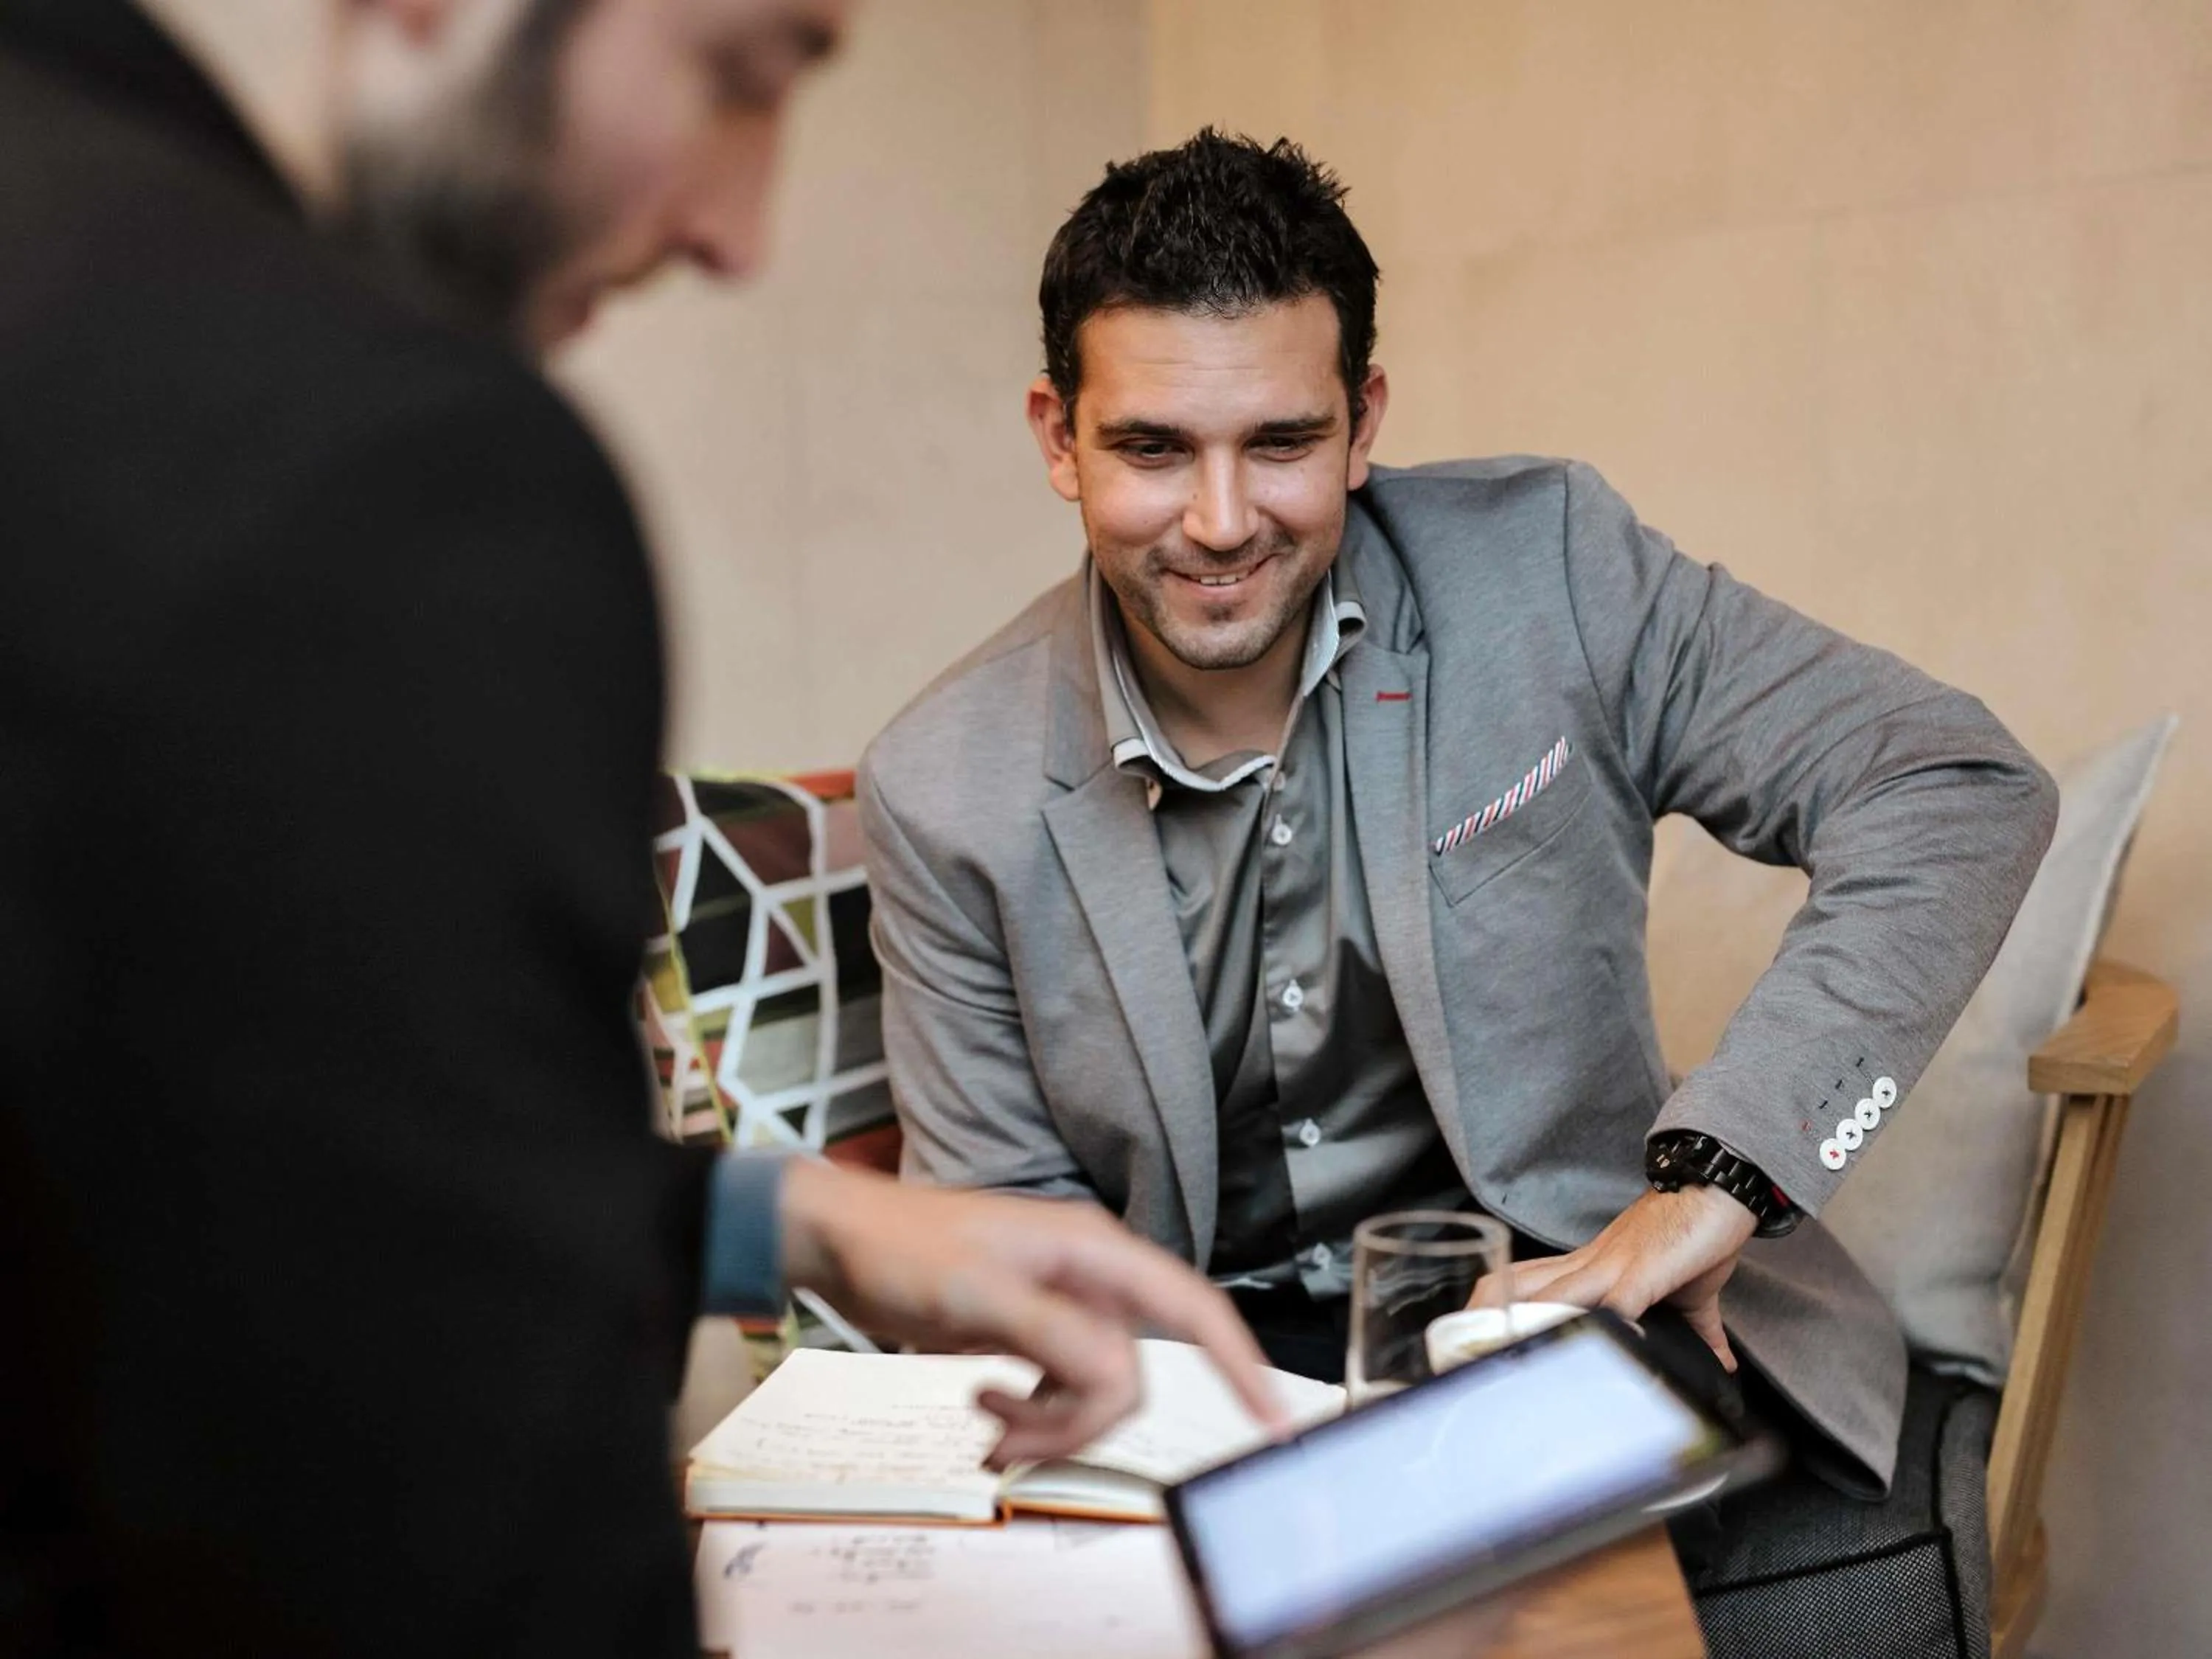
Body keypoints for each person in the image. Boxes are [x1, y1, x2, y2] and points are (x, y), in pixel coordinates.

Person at [0, 6, 1282, 1655]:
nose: (735, 232)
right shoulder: (381, 473)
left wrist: (776, 1220)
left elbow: (171, 1169)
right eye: (737, 75)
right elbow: (441, 1512)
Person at [859, 130, 2059, 1502]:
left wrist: (1719, 1182)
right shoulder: (941, 781)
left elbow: (1949, 785)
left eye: (1283, 441)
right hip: (1189, 1361)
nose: (1219, 517)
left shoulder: (1555, 569)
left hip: (1561, 1313)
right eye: (1151, 447)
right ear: (1056, 438)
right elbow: (1010, 1227)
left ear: (1364, 421)